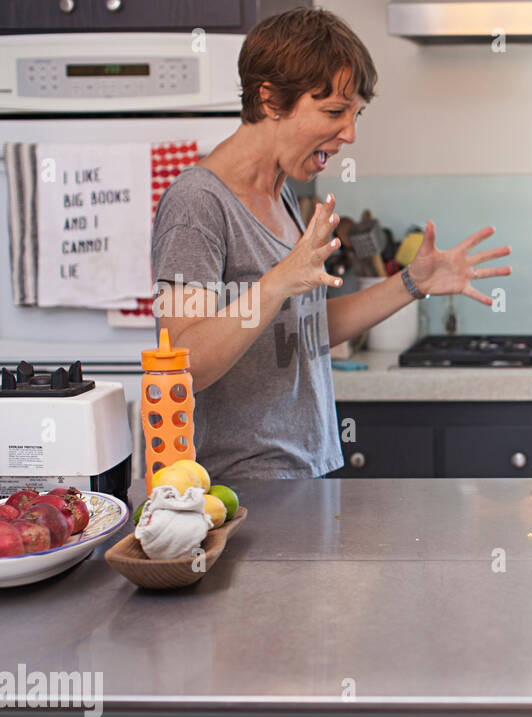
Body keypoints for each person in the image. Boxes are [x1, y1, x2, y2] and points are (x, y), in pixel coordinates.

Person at [151, 8, 510, 481]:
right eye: (335, 112)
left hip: (304, 471)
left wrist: (411, 283)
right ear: (271, 99)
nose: (350, 134)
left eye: (355, 114)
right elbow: (185, 366)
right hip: (243, 492)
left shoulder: (282, 194)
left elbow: (302, 328)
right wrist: (278, 281)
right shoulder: (197, 205)